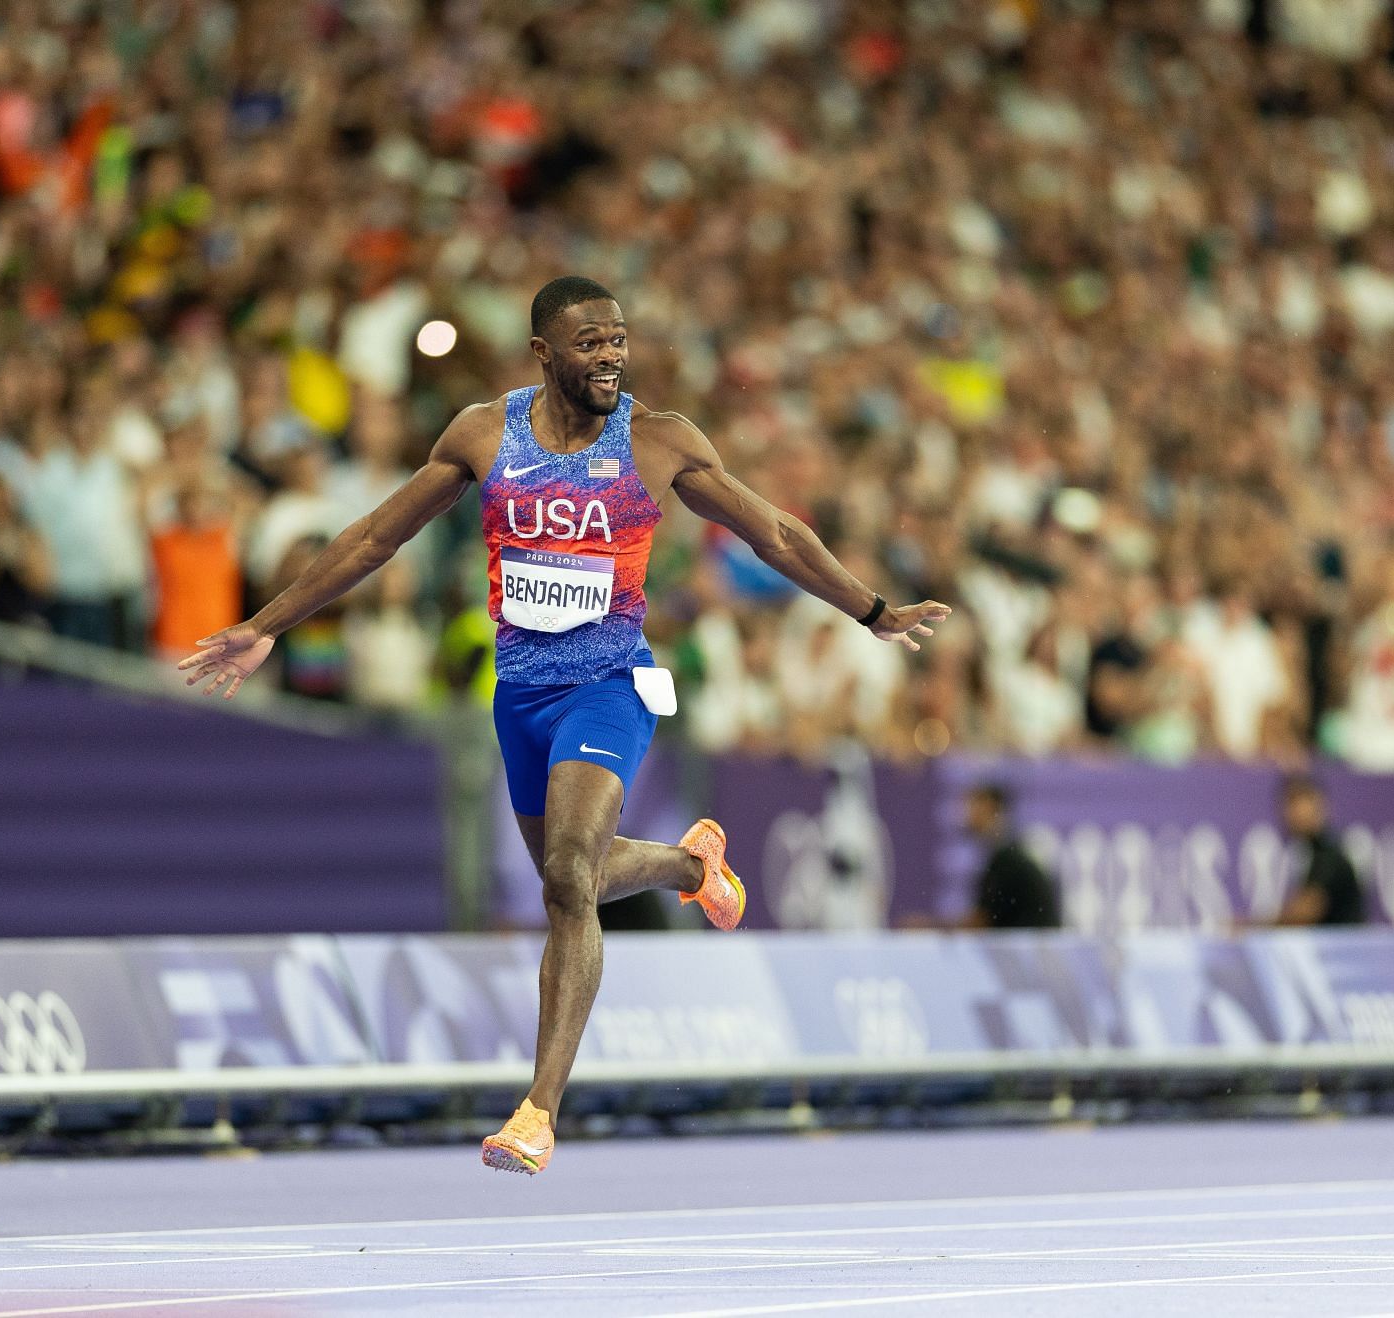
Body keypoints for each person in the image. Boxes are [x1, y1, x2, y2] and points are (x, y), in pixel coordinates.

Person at [181, 277, 949, 1175]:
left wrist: (873, 610)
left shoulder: (659, 442)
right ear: (544, 355)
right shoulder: (482, 434)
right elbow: (371, 540)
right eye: (590, 344)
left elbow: (775, 535)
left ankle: (538, 1110)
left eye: (619, 341)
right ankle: (687, 865)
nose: (611, 358)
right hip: (519, 697)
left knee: (567, 877)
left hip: (609, 684)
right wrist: (265, 624)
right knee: (569, 875)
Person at [962, 783, 1060, 930]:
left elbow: (980, 922)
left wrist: (930, 930)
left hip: (1033, 949)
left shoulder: (1006, 861)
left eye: (974, 806)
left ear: (990, 808)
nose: (967, 815)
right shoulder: (1007, 856)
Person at [1273, 774, 1365, 927]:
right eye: (1290, 804)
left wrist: (1249, 928)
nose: (1296, 814)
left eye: (1301, 804)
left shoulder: (1330, 858)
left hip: (1344, 948)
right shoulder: (1307, 855)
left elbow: (1303, 915)